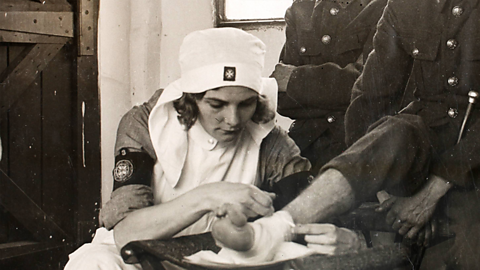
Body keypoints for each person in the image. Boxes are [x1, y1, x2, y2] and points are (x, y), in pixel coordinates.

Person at [214, 0, 480, 268]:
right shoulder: (406, 6)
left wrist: (434, 189)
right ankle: (270, 231)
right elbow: (370, 98)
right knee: (399, 129)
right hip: (417, 150)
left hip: (471, 161)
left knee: (462, 255)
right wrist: (386, 192)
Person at [63, 27, 312, 270]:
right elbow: (127, 232)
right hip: (139, 254)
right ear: (191, 97)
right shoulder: (146, 123)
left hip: (220, 257)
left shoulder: (269, 139)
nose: (233, 119)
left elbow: (307, 213)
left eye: (245, 104)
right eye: (217, 104)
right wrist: (209, 196)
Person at [272, 0, 388, 173]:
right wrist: (343, 94)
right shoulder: (301, 8)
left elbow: (374, 88)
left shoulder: (387, 7)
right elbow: (282, 98)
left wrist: (297, 81)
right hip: (305, 148)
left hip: (360, 148)